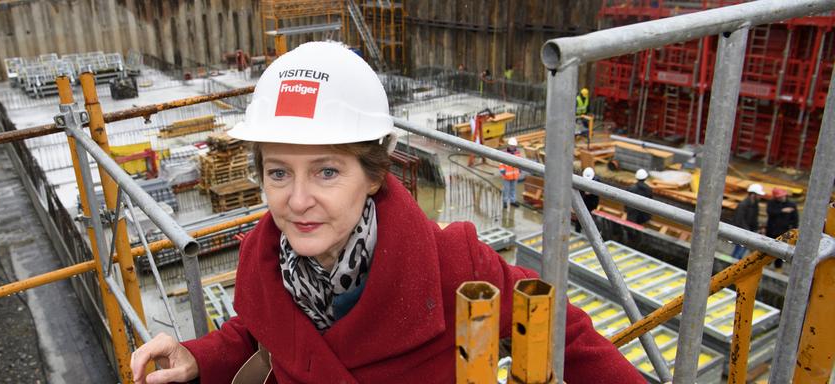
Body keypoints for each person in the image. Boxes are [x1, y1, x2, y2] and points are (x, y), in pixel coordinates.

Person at [129, 41, 643, 384]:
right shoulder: (261, 262)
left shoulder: (453, 266)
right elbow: (264, 330)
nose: (298, 199)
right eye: (279, 172)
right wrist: (200, 356)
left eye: (326, 171)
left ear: (374, 175)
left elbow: (561, 330)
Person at [765, 188, 797, 268]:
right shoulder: (771, 203)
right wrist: (782, 211)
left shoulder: (791, 205)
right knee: (768, 248)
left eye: (782, 196)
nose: (781, 198)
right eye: (779, 197)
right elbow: (770, 212)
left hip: (784, 232)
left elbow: (795, 219)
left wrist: (793, 232)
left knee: (781, 250)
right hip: (771, 230)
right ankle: (765, 264)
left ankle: (778, 267)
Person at [732, 184, 765, 259]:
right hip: (743, 232)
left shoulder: (755, 205)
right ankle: (731, 265)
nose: (760, 196)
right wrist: (748, 232)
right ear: (753, 195)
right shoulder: (743, 205)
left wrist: (757, 229)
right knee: (738, 251)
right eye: (759, 195)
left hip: (748, 233)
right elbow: (739, 220)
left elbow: (754, 218)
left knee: (741, 251)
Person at [575, 167, 600, 232]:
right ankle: (577, 230)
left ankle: (593, 232)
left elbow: (588, 193)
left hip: (592, 203)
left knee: (589, 218)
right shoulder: (582, 179)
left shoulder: (596, 181)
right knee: (580, 216)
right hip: (584, 201)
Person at [499, 138, 521, 209]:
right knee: (506, 189)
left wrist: (520, 169)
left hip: (515, 175)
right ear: (509, 145)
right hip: (507, 175)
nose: (512, 147)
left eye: (514, 146)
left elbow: (520, 163)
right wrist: (502, 171)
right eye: (511, 146)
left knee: (513, 189)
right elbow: (501, 163)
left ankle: (513, 201)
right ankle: (505, 202)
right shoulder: (504, 153)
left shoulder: (518, 153)